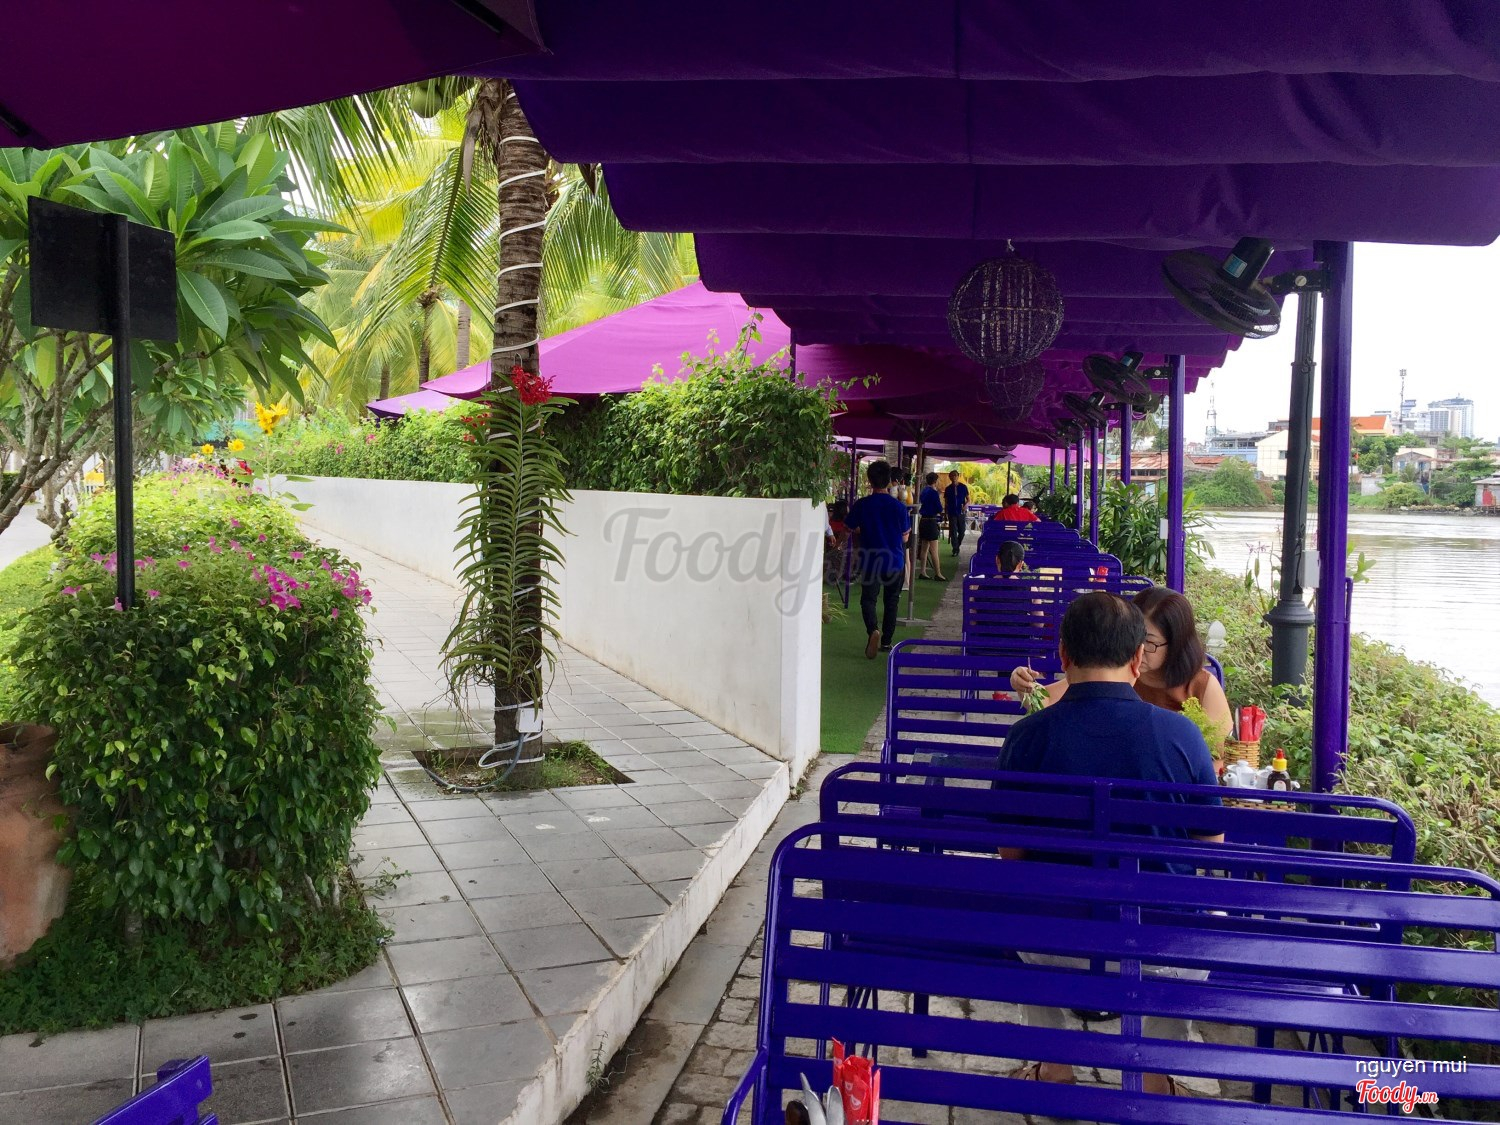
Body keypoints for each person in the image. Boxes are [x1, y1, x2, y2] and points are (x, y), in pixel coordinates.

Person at [997, 591, 1222, 1095]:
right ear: (1138, 659)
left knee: (1029, 903)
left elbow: (1011, 856)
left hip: (1054, 946)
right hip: (1162, 951)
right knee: (1195, 913)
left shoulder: (1028, 737)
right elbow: (1211, 843)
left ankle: (1054, 1067)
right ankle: (1153, 1075)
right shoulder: (1182, 736)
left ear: (1063, 655)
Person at [1008, 587, 1234, 737]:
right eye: (1133, 637)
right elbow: (1046, 702)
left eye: (1149, 642)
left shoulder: (1202, 687)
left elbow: (1220, 755)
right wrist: (1025, 686)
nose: (1138, 648)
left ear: (1177, 643)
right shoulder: (1115, 670)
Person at [844, 460, 911, 658]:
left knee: (868, 600)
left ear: (869, 480)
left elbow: (847, 529)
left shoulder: (862, 505)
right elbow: (905, 537)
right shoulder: (899, 507)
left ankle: (873, 629)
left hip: (870, 561)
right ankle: (887, 642)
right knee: (892, 601)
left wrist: (840, 543)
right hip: (895, 561)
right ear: (889, 480)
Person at [916, 472, 946, 580]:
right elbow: (939, 508)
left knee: (924, 548)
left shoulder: (923, 491)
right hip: (931, 521)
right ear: (935, 481)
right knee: (934, 549)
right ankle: (938, 573)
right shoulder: (934, 493)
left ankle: (923, 572)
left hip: (923, 521)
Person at [943, 469, 969, 556]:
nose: (953, 477)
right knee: (953, 531)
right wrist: (945, 513)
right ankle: (955, 549)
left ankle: (957, 546)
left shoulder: (963, 487)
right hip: (951, 512)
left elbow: (968, 499)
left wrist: (966, 505)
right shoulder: (948, 489)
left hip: (961, 512)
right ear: (950, 477)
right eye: (952, 476)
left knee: (962, 531)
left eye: (955, 475)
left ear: (958, 476)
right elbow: (946, 502)